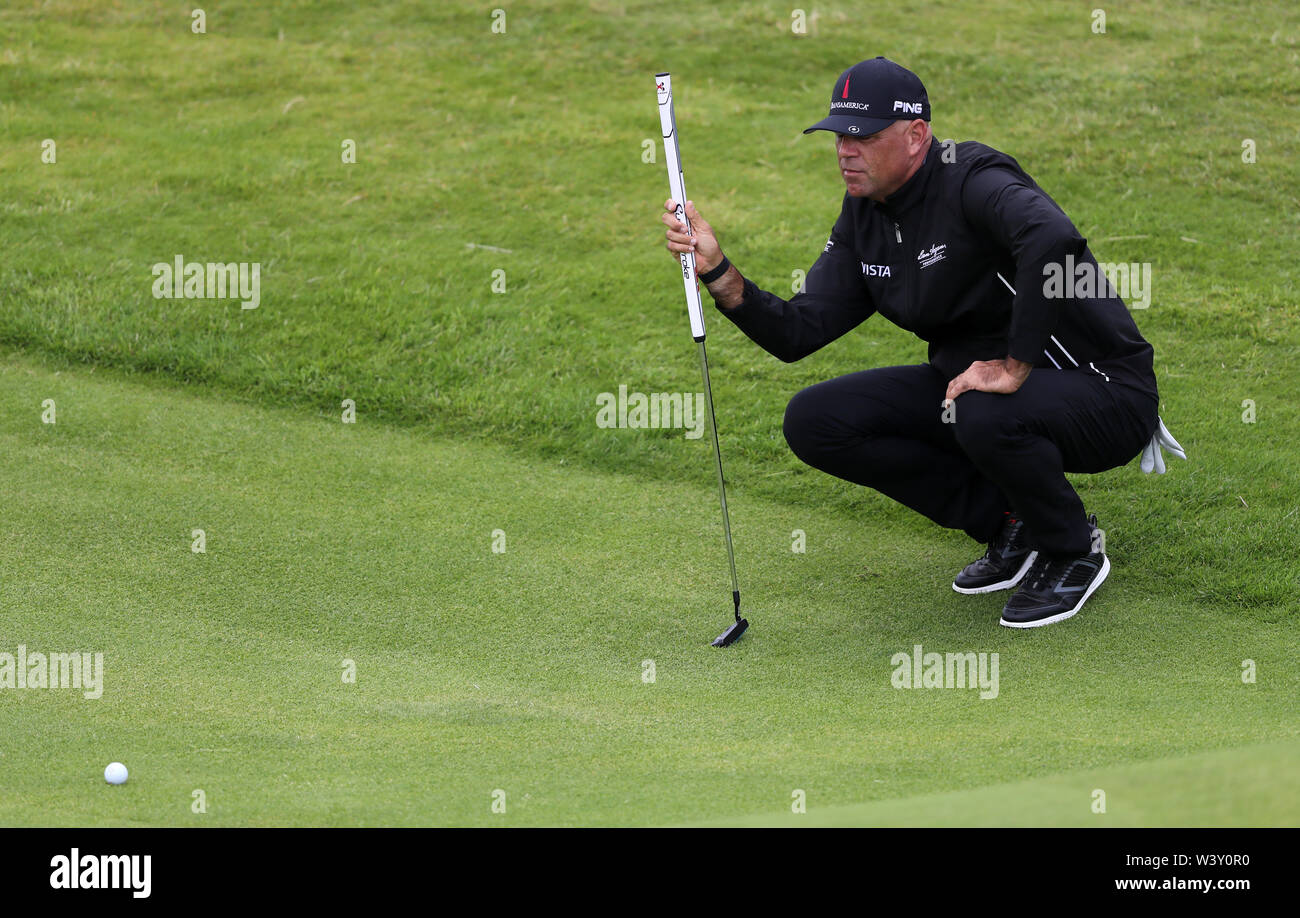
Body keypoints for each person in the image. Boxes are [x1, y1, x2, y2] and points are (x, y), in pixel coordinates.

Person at [659, 57, 1184, 628]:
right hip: (973, 393)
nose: (845, 151)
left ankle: (1073, 547)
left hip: (1105, 392)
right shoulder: (865, 213)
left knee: (980, 409)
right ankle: (1011, 522)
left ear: (916, 137)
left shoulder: (971, 177)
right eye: (839, 136)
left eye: (863, 136)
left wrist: (1013, 366)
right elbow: (797, 331)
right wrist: (718, 271)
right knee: (816, 420)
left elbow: (1053, 238)